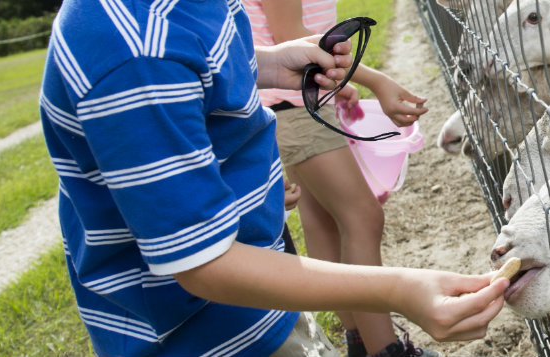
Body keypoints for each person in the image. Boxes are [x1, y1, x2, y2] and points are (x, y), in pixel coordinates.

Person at [38, 1, 507, 356]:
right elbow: (204, 265)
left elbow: (199, 62)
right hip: (209, 335)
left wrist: (267, 62)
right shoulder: (136, 57)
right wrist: (398, 289)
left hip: (255, 304)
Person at [241, 1, 432, 355]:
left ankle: (359, 339)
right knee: (363, 216)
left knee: (323, 221)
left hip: (297, 99)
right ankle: (385, 350)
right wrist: (376, 79)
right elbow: (290, 38)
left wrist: (336, 84)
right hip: (296, 107)